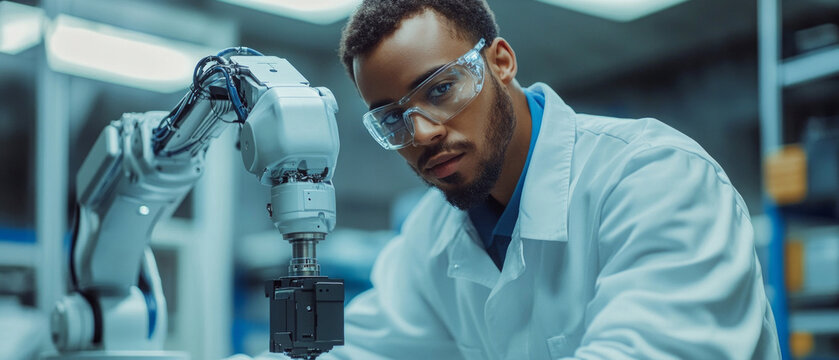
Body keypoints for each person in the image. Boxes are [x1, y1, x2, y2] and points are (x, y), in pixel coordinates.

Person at [259, 0, 781, 359]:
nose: (420, 132)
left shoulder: (653, 177)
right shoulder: (430, 234)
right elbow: (366, 349)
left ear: (500, 62)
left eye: (439, 90)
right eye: (391, 118)